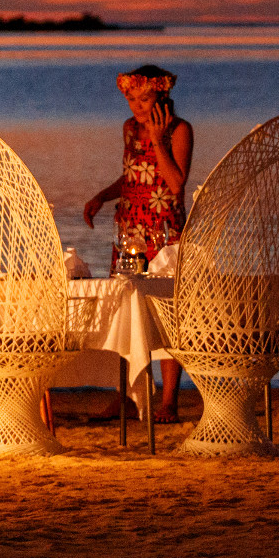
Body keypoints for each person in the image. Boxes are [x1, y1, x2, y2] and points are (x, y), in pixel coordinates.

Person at [82, 64, 193, 422]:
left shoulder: (179, 130)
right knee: (125, 308)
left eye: (144, 99)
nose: (137, 107)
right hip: (130, 226)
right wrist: (104, 194)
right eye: (131, 99)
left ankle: (169, 402)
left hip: (164, 227)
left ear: (161, 95)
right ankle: (127, 396)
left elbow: (176, 184)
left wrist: (159, 139)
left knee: (166, 311)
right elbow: (133, 171)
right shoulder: (130, 128)